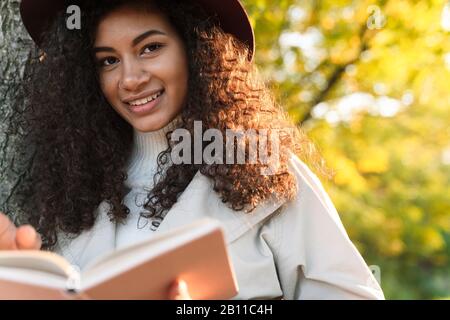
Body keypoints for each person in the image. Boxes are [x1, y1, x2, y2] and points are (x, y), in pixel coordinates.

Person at [0, 0, 384, 299]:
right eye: (109, 61)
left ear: (195, 48)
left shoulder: (267, 172)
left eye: (150, 48)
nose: (130, 78)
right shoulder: (75, 194)